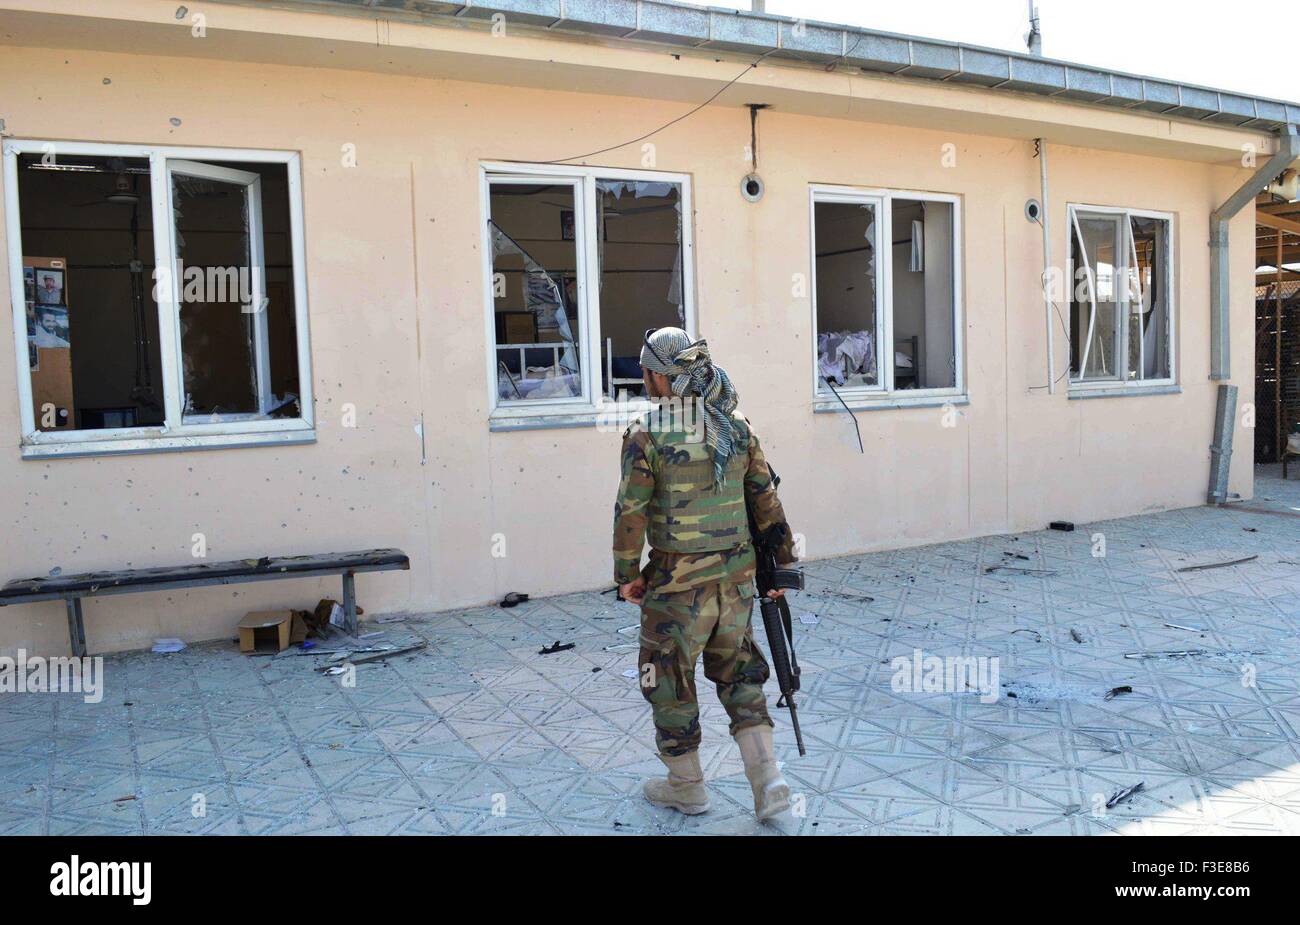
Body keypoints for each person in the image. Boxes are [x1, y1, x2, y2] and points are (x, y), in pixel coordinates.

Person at [613, 326, 797, 821]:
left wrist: (626, 573)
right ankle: (769, 780)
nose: (644, 378)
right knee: (740, 673)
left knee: (669, 679)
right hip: (735, 581)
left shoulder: (647, 432)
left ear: (661, 375)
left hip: (676, 585)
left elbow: (631, 512)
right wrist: (782, 568)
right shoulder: (736, 426)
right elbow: (767, 500)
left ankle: (686, 787)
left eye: (647, 370)